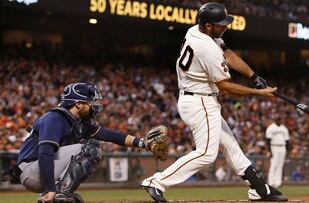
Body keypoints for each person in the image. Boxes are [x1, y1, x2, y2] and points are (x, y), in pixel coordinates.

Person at [141, 2, 288, 202]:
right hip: (200, 102)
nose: (225, 26)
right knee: (207, 154)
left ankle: (259, 189)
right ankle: (156, 181)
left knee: (230, 146)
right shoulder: (206, 47)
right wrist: (259, 93)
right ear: (208, 25)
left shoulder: (197, 31)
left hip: (197, 98)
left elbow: (228, 54)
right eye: (221, 24)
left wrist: (253, 76)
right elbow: (225, 87)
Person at [16, 82, 148, 203]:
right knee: (91, 148)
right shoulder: (54, 118)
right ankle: (60, 192)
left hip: (42, 169)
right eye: (90, 102)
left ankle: (57, 195)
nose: (93, 106)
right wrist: (51, 189)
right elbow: (45, 154)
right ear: (78, 104)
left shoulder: (78, 122)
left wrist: (143, 143)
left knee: (74, 201)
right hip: (33, 169)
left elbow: (112, 136)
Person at [266, 115, 290, 188]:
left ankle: (278, 183)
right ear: (275, 120)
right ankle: (271, 182)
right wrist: (269, 151)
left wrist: (287, 151)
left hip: (282, 147)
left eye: (279, 119)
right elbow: (268, 140)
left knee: (280, 165)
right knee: (274, 164)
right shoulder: (270, 128)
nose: (278, 120)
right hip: (274, 147)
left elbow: (287, 140)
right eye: (277, 119)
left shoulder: (284, 128)